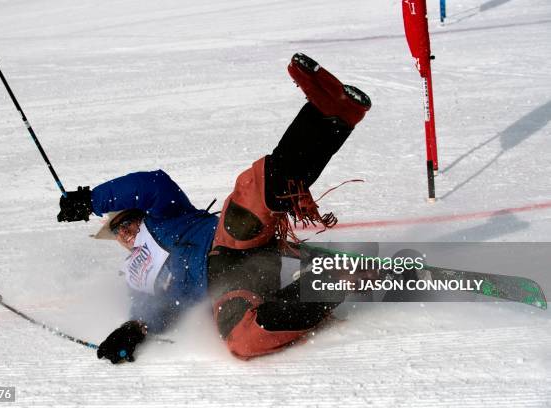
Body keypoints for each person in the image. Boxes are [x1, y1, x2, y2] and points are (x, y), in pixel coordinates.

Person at [58, 53, 372, 363]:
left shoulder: (167, 215)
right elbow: (150, 311)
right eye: (117, 231)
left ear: (139, 214)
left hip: (227, 241)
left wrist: (90, 201)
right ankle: (331, 282)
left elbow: (150, 184)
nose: (124, 232)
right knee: (242, 340)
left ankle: (331, 115)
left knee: (254, 194)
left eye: (125, 221)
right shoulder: (139, 273)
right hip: (230, 285)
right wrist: (132, 329)